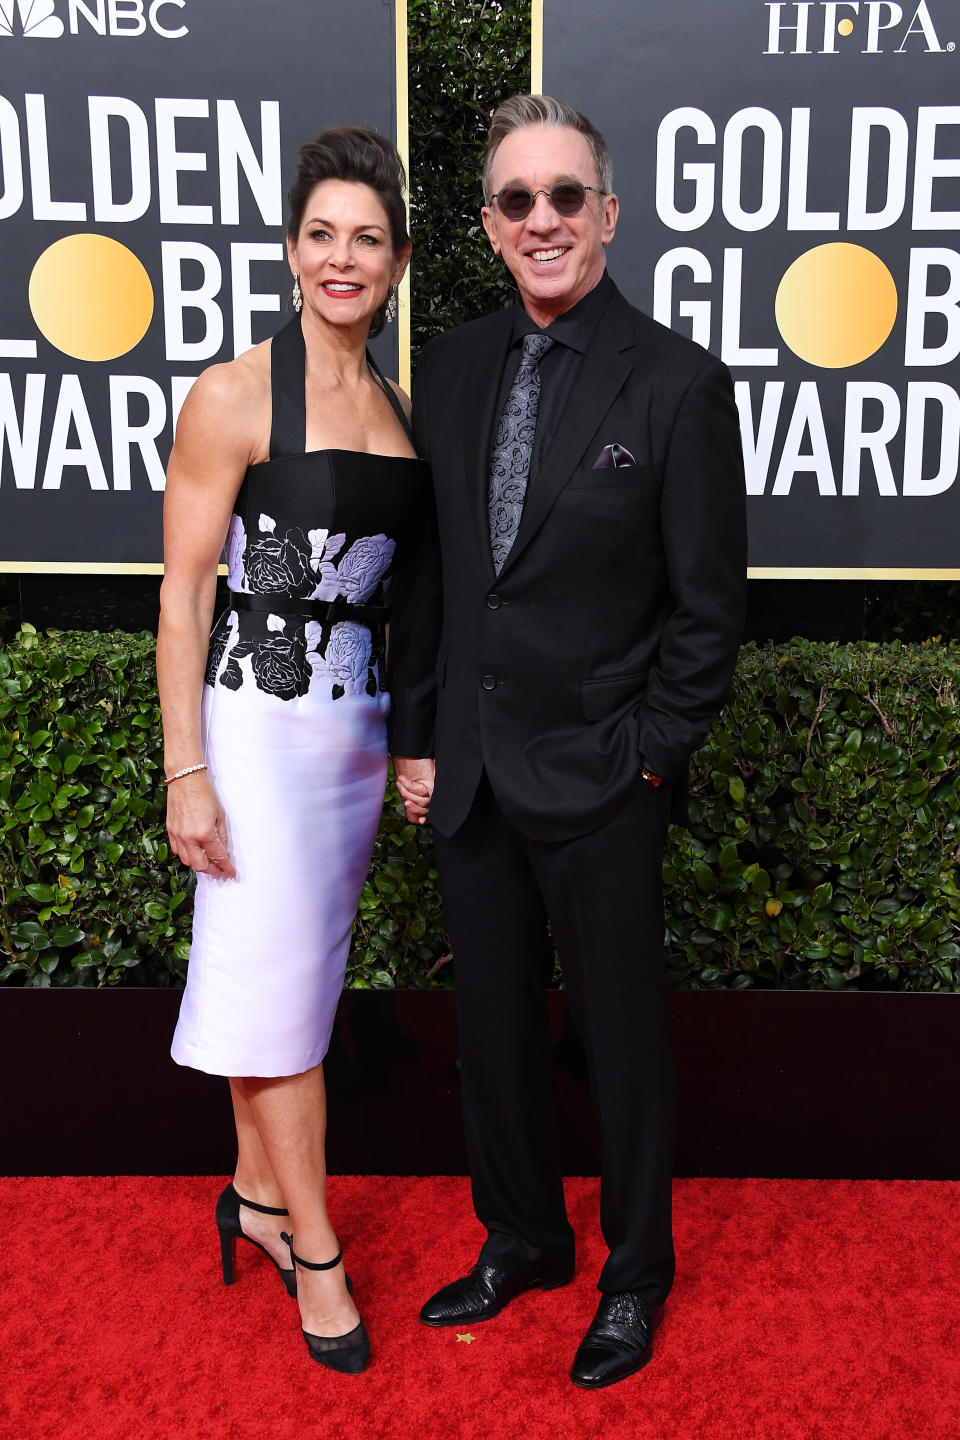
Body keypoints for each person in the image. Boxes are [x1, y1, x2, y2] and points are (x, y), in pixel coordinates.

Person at [399, 94, 747, 1389]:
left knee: (621, 1045)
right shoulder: (458, 363)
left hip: (605, 778)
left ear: (607, 210)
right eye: (514, 200)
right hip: (472, 770)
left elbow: (709, 610)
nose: (540, 220)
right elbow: (438, 574)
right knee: (489, 1034)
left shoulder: (675, 383)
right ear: (489, 227)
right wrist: (420, 734)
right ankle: (524, 1239)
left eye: (563, 196)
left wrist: (649, 755)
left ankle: (635, 1275)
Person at [157, 126, 435, 1376]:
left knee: (294, 987)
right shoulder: (230, 394)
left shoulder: (398, 410)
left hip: (355, 745)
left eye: (367, 238)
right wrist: (187, 769)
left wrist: (407, 745)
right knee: (279, 1007)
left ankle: (254, 1196)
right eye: (321, 234)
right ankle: (314, 1252)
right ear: (289, 251)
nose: (343, 256)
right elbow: (182, 598)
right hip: (257, 739)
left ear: (399, 264)